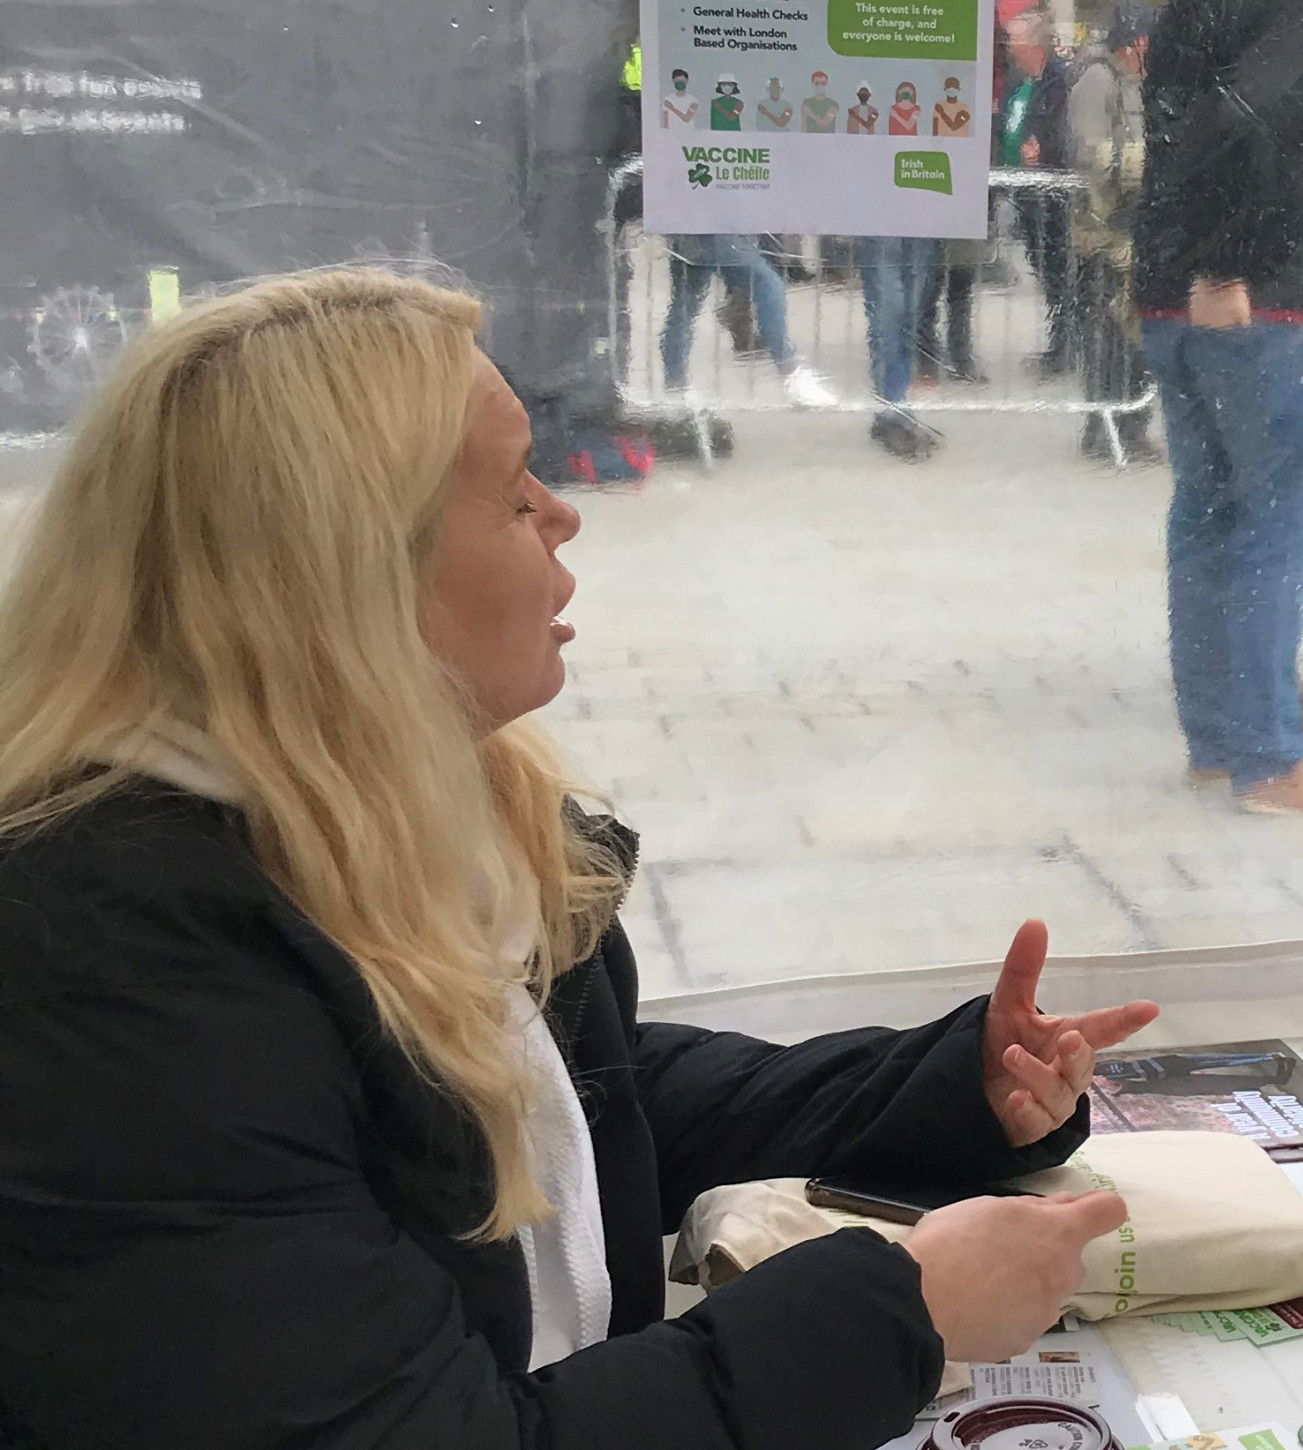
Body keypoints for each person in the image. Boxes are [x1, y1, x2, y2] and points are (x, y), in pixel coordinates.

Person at [0, 268, 1161, 1446]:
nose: (564, 514)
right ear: (350, 576)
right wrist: (899, 1308)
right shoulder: (118, 981)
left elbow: (578, 1104)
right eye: (513, 495)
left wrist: (953, 1086)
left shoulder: (406, 817)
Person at [1137, 0, 1303, 814]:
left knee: (1206, 519)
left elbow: (1215, 141)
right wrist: (1231, 267)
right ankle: (1272, 759)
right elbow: (1233, 133)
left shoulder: (1188, 18)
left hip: (1180, 296)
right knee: (1274, 536)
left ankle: (1217, 741)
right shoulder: (1281, 16)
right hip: (1260, 305)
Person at [1069, 4, 1160, 462]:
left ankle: (1132, 424)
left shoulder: (1138, 84)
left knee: (1138, 334)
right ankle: (1102, 427)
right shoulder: (1097, 82)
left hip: (1135, 230)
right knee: (1106, 335)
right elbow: (1089, 152)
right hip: (1103, 232)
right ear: (1134, 41)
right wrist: (1150, 162)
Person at [660, 233, 837, 407]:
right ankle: (790, 370)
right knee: (766, 284)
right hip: (717, 229)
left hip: (694, 229)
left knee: (685, 303)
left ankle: (675, 383)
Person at [1002, 12, 1079, 377]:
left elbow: (1067, 130)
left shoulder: (1059, 79)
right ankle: (1058, 342)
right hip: (1026, 193)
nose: (1008, 45)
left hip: (1053, 197)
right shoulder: (1020, 80)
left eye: (1013, 38)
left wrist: (1043, 150)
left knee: (1059, 273)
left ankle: (1064, 348)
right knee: (1044, 270)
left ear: (1033, 43)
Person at [859, 234, 948, 459]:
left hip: (921, 216)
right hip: (878, 217)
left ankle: (896, 406)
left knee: (911, 309)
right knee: (889, 309)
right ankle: (892, 404)